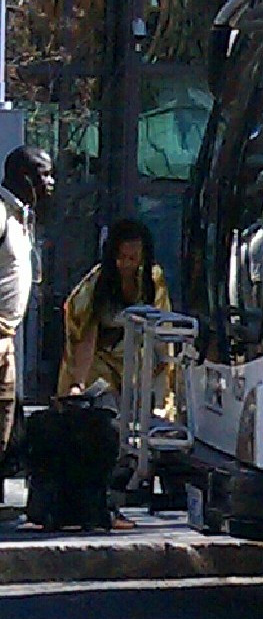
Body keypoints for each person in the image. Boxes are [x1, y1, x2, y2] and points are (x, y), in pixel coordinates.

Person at [59, 219, 168, 401]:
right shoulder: (97, 282)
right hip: (100, 363)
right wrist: (77, 385)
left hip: (141, 364)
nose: (126, 264)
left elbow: (162, 335)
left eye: (132, 258)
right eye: (120, 257)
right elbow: (85, 335)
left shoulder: (154, 280)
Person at [0, 149, 49, 477]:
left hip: (8, 336)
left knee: (4, 421)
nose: (51, 183)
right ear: (24, 178)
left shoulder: (22, 216)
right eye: (44, 175)